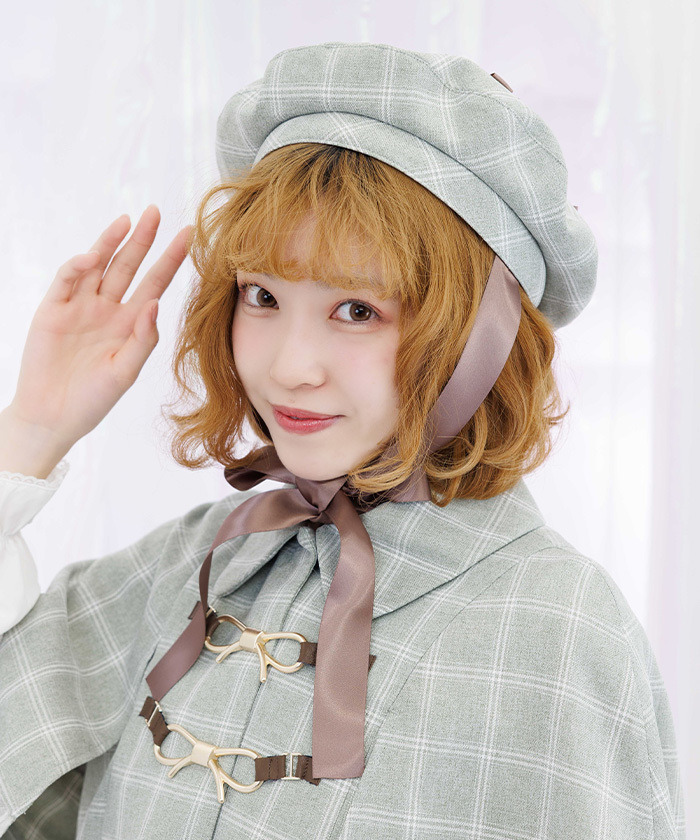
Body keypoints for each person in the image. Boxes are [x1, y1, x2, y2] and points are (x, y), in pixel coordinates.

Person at [0, 42, 685, 840]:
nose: (291, 368)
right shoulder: (199, 561)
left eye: (358, 310)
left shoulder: (557, 632)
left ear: (478, 341)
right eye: (262, 296)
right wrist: (31, 433)